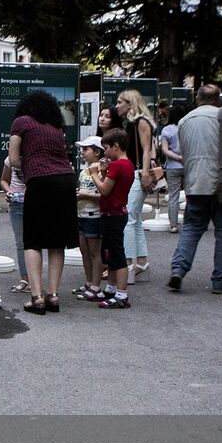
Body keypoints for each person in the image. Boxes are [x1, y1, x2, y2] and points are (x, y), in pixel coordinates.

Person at [168, 84, 222, 294]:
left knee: (192, 228)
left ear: (197, 98)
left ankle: (178, 269)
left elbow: (184, 151)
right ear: (218, 99)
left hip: (195, 182)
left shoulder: (185, 120)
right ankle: (219, 280)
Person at [8, 90, 77, 314]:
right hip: (66, 181)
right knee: (57, 241)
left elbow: (14, 158)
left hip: (40, 181)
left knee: (33, 240)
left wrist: (30, 163)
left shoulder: (21, 122)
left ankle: (36, 297)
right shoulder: (56, 126)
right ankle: (53, 294)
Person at [87, 128, 135, 308]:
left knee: (116, 254)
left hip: (112, 213)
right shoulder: (127, 164)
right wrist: (105, 173)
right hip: (117, 212)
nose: (104, 152)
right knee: (111, 253)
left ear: (116, 146)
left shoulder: (118, 165)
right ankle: (111, 288)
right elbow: (112, 186)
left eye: (106, 148)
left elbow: (105, 190)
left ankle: (121, 294)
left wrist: (93, 174)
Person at [115, 89, 156, 281]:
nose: (117, 106)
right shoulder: (135, 122)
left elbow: (147, 149)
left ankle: (130, 264)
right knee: (135, 218)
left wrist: (145, 173)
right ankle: (141, 262)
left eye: (120, 102)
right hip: (136, 172)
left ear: (130, 104)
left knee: (130, 218)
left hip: (137, 173)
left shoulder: (140, 122)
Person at [73, 135, 104, 298]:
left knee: (94, 252)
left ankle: (96, 285)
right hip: (81, 214)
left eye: (86, 149)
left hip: (95, 215)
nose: (82, 153)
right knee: (84, 251)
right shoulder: (83, 172)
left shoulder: (102, 170)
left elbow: (104, 193)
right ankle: (89, 282)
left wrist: (85, 196)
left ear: (97, 152)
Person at [0, 157, 29, 293]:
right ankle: (25, 279)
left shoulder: (36, 154)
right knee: (21, 243)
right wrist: (9, 191)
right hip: (16, 202)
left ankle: (34, 281)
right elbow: (3, 180)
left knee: (34, 243)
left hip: (35, 201)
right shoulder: (10, 158)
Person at [158, 104, 188, 233]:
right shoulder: (188, 128)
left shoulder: (167, 130)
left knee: (173, 196)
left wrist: (177, 157)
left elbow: (164, 150)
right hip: (189, 165)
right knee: (191, 195)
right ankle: (190, 223)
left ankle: (173, 225)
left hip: (172, 167)